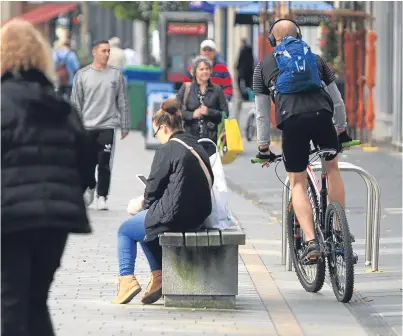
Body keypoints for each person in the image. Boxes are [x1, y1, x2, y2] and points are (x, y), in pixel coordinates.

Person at [1, 19, 92, 336]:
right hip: (54, 220)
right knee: (36, 301)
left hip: (9, 217)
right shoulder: (60, 106)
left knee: (11, 302)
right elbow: (85, 162)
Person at [253, 19, 352, 260]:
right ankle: (340, 232)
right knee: (332, 167)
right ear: (299, 36)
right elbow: (337, 99)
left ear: (271, 40)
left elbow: (262, 113)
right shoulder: (316, 60)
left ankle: (310, 241)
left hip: (293, 121)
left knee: (297, 181)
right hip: (322, 116)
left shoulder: (263, 66)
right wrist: (341, 130)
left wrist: (263, 147)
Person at [113, 99, 213, 305]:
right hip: (199, 215)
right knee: (146, 225)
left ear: (164, 128)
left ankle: (126, 281)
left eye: (156, 131)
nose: (157, 136)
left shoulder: (166, 150)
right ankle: (158, 277)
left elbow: (152, 190)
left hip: (177, 215)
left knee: (125, 230)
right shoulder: (195, 144)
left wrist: (140, 204)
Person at [70, 40, 131, 211]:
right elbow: (75, 103)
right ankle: (89, 186)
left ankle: (102, 196)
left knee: (104, 162)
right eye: (103, 51)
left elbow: (123, 101)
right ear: (94, 52)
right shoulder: (82, 75)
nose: (106, 54)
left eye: (108, 51)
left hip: (107, 125)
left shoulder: (116, 75)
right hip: (86, 126)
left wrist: (125, 125)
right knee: (87, 163)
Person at [177, 56, 229, 156]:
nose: (205, 71)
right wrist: (192, 115)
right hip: (189, 138)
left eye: (207, 69)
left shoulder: (217, 90)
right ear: (194, 71)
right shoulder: (186, 88)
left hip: (211, 139)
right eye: (201, 69)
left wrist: (209, 112)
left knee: (209, 169)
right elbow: (175, 112)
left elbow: (225, 113)